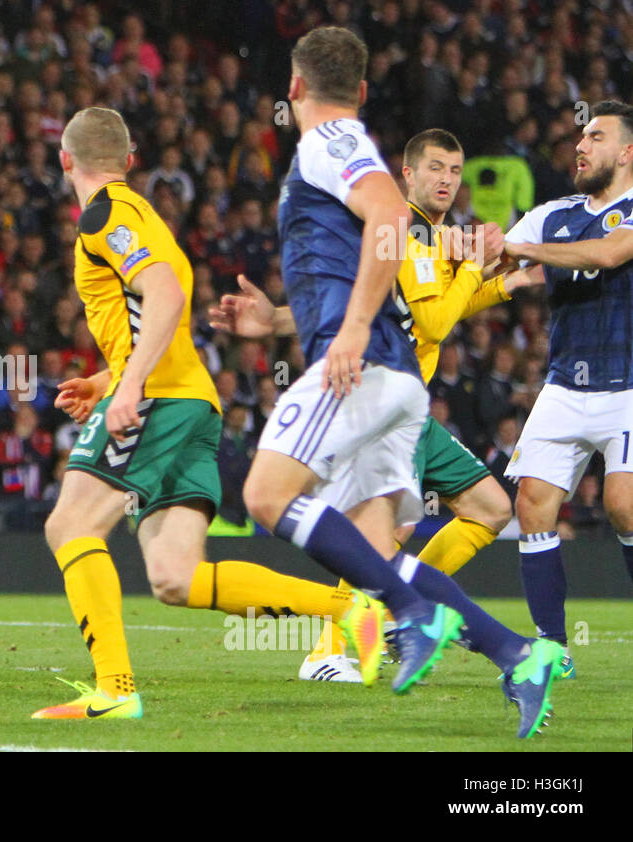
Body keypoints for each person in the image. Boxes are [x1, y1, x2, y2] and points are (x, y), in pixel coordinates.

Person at [228, 26, 560, 737]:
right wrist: (275, 322)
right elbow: (372, 265)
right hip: (397, 379)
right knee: (381, 557)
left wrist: (347, 332)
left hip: (365, 368)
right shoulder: (355, 167)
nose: (446, 180)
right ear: (366, 89)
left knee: (264, 494)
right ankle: (514, 654)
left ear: (293, 88)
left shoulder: (330, 143)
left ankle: (408, 618)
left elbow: (384, 216)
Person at [31, 105, 383, 722]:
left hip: (161, 399)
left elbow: (166, 292)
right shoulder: (139, 214)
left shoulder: (104, 215)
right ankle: (350, 609)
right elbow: (155, 308)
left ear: (65, 159)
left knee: (71, 527)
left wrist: (131, 386)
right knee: (175, 578)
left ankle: (115, 690)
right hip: (192, 401)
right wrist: (109, 376)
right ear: (131, 159)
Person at [500, 99, 633, 679]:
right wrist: (461, 248)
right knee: (532, 504)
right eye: (580, 136)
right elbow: (497, 261)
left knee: (623, 504)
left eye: (596, 136)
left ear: (627, 153)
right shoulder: (553, 215)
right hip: (564, 382)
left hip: (628, 382)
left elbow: (607, 254)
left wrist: (521, 252)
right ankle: (553, 646)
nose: (580, 146)